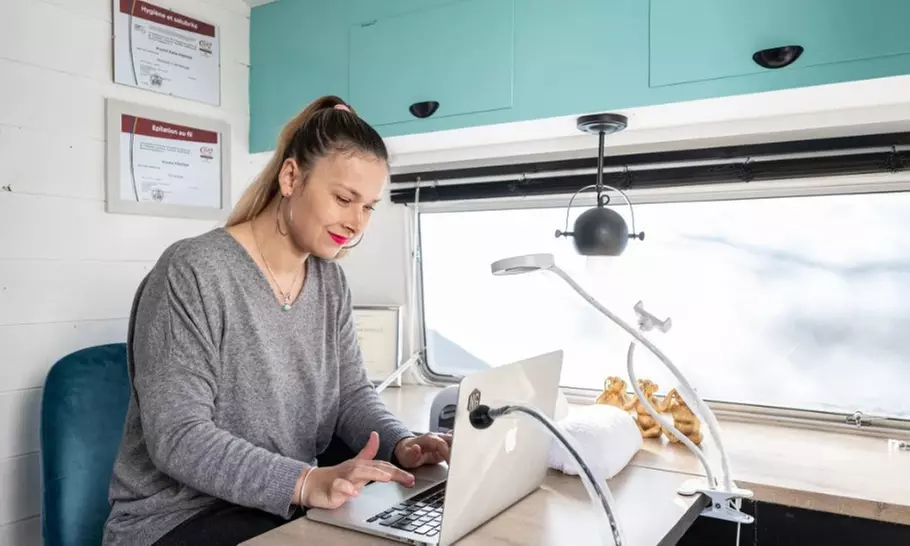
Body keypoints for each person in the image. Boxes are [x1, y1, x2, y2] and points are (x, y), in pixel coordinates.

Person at [103, 95, 452, 546]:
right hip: (176, 521)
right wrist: (305, 483)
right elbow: (178, 436)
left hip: (276, 509)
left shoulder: (330, 283)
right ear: (291, 177)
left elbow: (349, 394)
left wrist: (401, 444)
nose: (356, 222)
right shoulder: (193, 271)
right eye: (344, 198)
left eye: (368, 206)